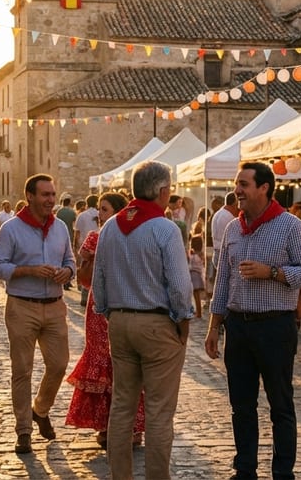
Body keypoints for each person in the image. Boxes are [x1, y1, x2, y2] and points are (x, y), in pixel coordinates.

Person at [204, 162, 301, 480]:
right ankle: (245, 470)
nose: (237, 190)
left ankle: (283, 472)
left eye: (243, 184)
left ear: (264, 188)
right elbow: (223, 281)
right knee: (241, 405)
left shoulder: (290, 226)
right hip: (237, 327)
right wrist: (214, 327)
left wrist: (272, 272)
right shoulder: (231, 229)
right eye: (237, 183)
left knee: (281, 404)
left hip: (275, 327)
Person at [94, 161, 193, 480]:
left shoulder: (110, 227)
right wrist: (183, 321)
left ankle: (120, 475)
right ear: (163, 191)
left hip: (120, 322)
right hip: (156, 323)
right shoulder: (165, 228)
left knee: (122, 406)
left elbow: (99, 281)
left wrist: (110, 313)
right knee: (159, 412)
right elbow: (179, 285)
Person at [0, 174, 76, 455]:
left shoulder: (61, 227)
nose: (50, 200)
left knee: (59, 364)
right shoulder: (11, 229)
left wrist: (68, 271)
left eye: (53, 194)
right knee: (22, 370)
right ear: (29, 196)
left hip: (54, 305)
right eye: (45, 195)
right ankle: (23, 430)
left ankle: (40, 408)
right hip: (21, 306)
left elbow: (70, 260)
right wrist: (28, 270)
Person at [65, 191, 145, 450]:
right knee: (102, 362)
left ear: (119, 212)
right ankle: (104, 424)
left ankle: (132, 425)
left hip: (127, 303)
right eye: (99, 209)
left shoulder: (134, 238)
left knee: (128, 366)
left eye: (106, 209)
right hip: (99, 308)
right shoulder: (93, 239)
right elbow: (84, 279)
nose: (100, 214)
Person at [210, 192, 238, 291]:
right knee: (226, 286)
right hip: (224, 254)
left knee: (222, 284)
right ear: (235, 204)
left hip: (217, 252)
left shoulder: (218, 214)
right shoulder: (229, 218)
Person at [189, 233, 206, 319]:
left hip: (194, 275)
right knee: (196, 296)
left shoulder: (193, 255)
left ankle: (198, 313)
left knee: (196, 296)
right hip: (197, 276)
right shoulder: (200, 255)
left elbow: (190, 266)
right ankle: (198, 312)